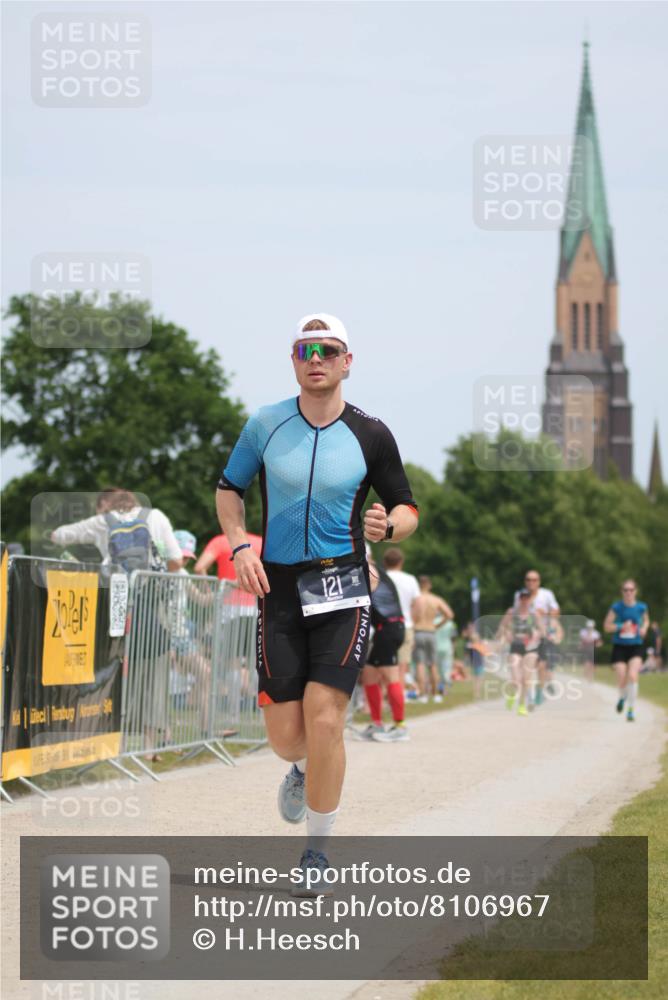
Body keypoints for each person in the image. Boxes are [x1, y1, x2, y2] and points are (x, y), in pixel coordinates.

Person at [215, 313, 418, 890]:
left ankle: (317, 852)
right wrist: (238, 546)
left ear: (347, 361)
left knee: (326, 717)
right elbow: (228, 489)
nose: (316, 358)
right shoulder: (265, 424)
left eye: (328, 349)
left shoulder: (371, 434)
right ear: (294, 360)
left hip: (343, 586)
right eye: (306, 349)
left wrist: (388, 527)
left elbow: (406, 507)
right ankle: (301, 769)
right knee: (286, 735)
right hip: (276, 586)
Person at [50, 487, 183, 572]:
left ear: (103, 504)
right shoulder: (157, 516)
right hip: (150, 599)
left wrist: (53, 535)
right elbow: (177, 561)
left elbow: (59, 535)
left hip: (115, 593)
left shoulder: (103, 520)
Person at [360, 552, 408, 742]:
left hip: (389, 628)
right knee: (369, 675)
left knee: (390, 676)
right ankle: (377, 724)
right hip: (387, 628)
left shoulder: (369, 570)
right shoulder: (374, 569)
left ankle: (400, 726)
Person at [603, 580, 649, 722]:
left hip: (636, 646)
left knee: (633, 675)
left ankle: (631, 710)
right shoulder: (617, 607)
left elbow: (646, 620)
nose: (628, 592)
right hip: (620, 647)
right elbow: (606, 626)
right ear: (622, 591)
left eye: (631, 590)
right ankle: (622, 697)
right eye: (625, 590)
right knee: (622, 679)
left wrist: (644, 628)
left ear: (636, 591)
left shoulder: (642, 607)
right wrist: (621, 626)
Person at [515, 570, 560, 700]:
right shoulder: (519, 595)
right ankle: (528, 693)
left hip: (543, 635)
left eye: (534, 580)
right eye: (528, 580)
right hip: (526, 636)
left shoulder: (546, 595)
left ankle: (539, 690)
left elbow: (556, 612)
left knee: (542, 665)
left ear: (539, 582)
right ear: (525, 581)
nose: (531, 582)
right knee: (527, 665)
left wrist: (545, 614)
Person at [499, 589, 544, 717]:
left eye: (527, 598)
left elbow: (542, 630)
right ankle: (512, 695)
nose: (525, 600)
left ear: (530, 599)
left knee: (525, 679)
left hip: (531, 648)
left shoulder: (535, 613)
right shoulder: (512, 612)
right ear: (519, 599)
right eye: (522, 598)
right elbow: (503, 626)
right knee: (516, 680)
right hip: (515, 646)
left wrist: (537, 635)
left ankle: (521, 706)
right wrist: (506, 634)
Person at [383, 548, 420, 695]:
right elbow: (418, 604)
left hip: (383, 625)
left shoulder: (381, 577)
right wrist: (413, 622)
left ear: (385, 562)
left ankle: (386, 697)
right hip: (405, 625)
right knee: (402, 667)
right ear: (402, 562)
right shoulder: (410, 579)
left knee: (384, 666)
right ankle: (399, 698)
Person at [411, 576, 454, 703]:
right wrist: (437, 625)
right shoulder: (436, 599)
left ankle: (423, 695)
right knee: (433, 664)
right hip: (431, 631)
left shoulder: (416, 600)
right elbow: (449, 615)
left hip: (418, 632)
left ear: (419, 585)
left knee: (420, 664)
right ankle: (436, 695)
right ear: (429, 585)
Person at [194, 532, 263, 580]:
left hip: (224, 596)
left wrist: (208, 592)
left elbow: (199, 568)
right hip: (255, 598)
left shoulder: (220, 541)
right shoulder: (261, 542)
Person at [435, 616, 457, 694]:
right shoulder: (451, 623)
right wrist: (454, 650)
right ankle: (445, 689)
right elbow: (453, 638)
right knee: (446, 669)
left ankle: (438, 687)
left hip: (436, 647)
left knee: (438, 669)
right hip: (447, 648)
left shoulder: (434, 621)